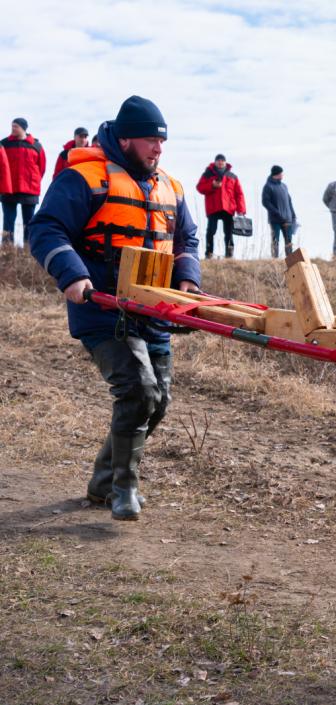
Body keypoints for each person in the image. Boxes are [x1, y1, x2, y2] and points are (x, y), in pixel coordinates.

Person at [27, 95, 201, 522]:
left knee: (157, 401)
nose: (157, 150)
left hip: (153, 310)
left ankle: (104, 482)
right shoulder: (84, 178)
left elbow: (187, 241)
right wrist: (72, 275)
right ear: (124, 140)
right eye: (148, 141)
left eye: (162, 142)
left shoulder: (171, 187)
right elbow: (45, 228)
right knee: (138, 390)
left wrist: (187, 282)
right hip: (102, 310)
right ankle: (123, 489)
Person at [1, 117, 47, 247]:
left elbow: (42, 168)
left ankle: (29, 249)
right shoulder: (4, 144)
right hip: (9, 189)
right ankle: (7, 250)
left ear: (23, 128)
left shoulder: (36, 146)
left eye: (15, 126)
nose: (12, 129)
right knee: (8, 221)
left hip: (30, 189)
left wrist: (34, 180)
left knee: (29, 221)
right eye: (12, 126)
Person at [195, 153, 247, 259]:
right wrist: (212, 185)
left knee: (228, 232)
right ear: (215, 162)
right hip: (213, 208)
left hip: (228, 208)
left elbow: (239, 194)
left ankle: (229, 254)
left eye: (222, 160)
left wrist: (241, 210)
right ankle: (209, 253)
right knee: (211, 231)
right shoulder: (207, 174)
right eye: (218, 160)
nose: (220, 162)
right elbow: (200, 187)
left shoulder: (232, 176)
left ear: (225, 162)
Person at [262, 164, 296, 257]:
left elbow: (289, 201)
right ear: (276, 174)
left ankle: (290, 260)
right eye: (281, 173)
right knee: (275, 240)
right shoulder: (268, 186)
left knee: (289, 241)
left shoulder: (284, 186)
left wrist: (293, 215)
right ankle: (275, 260)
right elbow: (265, 202)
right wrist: (277, 213)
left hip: (287, 219)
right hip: (275, 220)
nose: (282, 175)